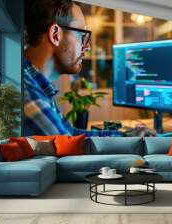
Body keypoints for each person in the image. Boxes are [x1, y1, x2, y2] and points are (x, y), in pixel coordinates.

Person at [23, 0, 122, 137]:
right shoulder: (29, 95)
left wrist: (126, 137)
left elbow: (72, 135)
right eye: (82, 36)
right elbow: (69, 148)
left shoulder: (39, 88)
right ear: (55, 35)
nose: (87, 47)